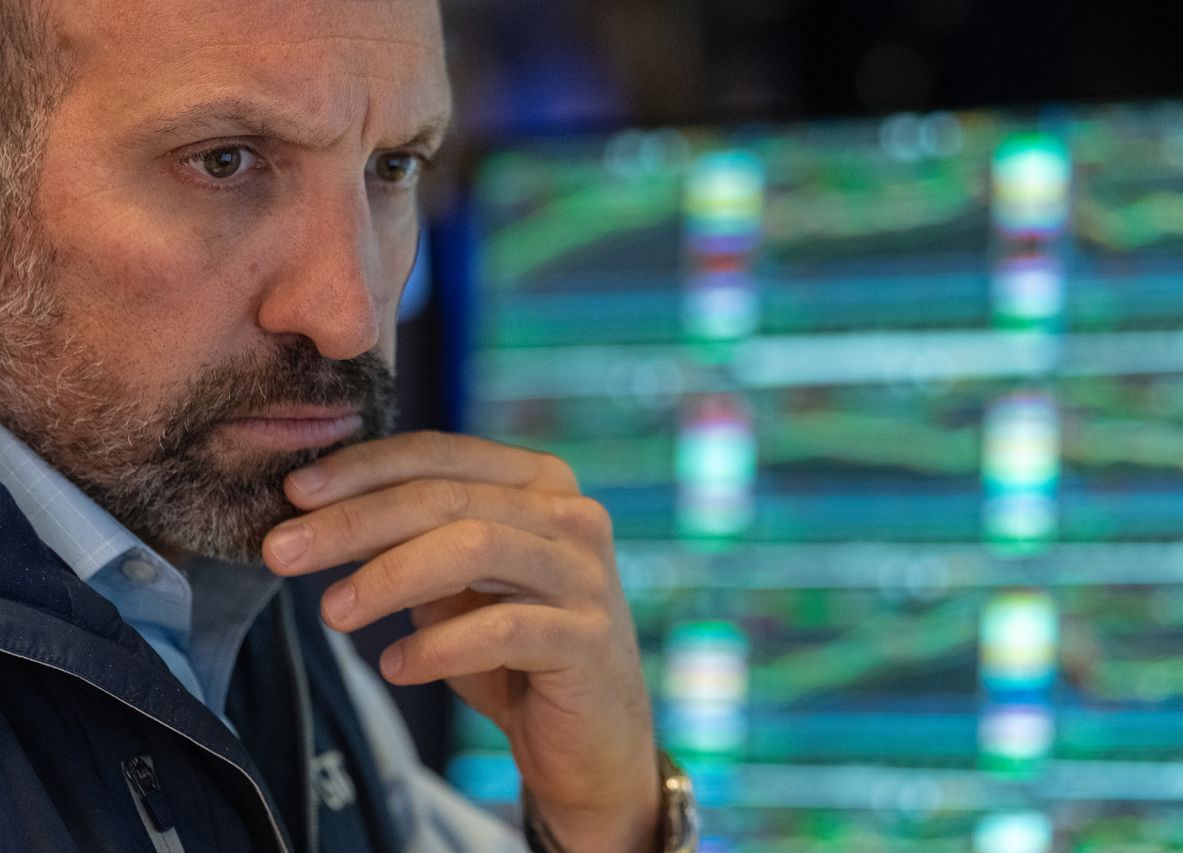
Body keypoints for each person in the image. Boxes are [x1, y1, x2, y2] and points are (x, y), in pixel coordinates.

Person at [0, 1, 696, 851]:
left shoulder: (234, 587)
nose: (353, 316)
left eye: (393, 165)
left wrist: (608, 817)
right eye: (224, 162)